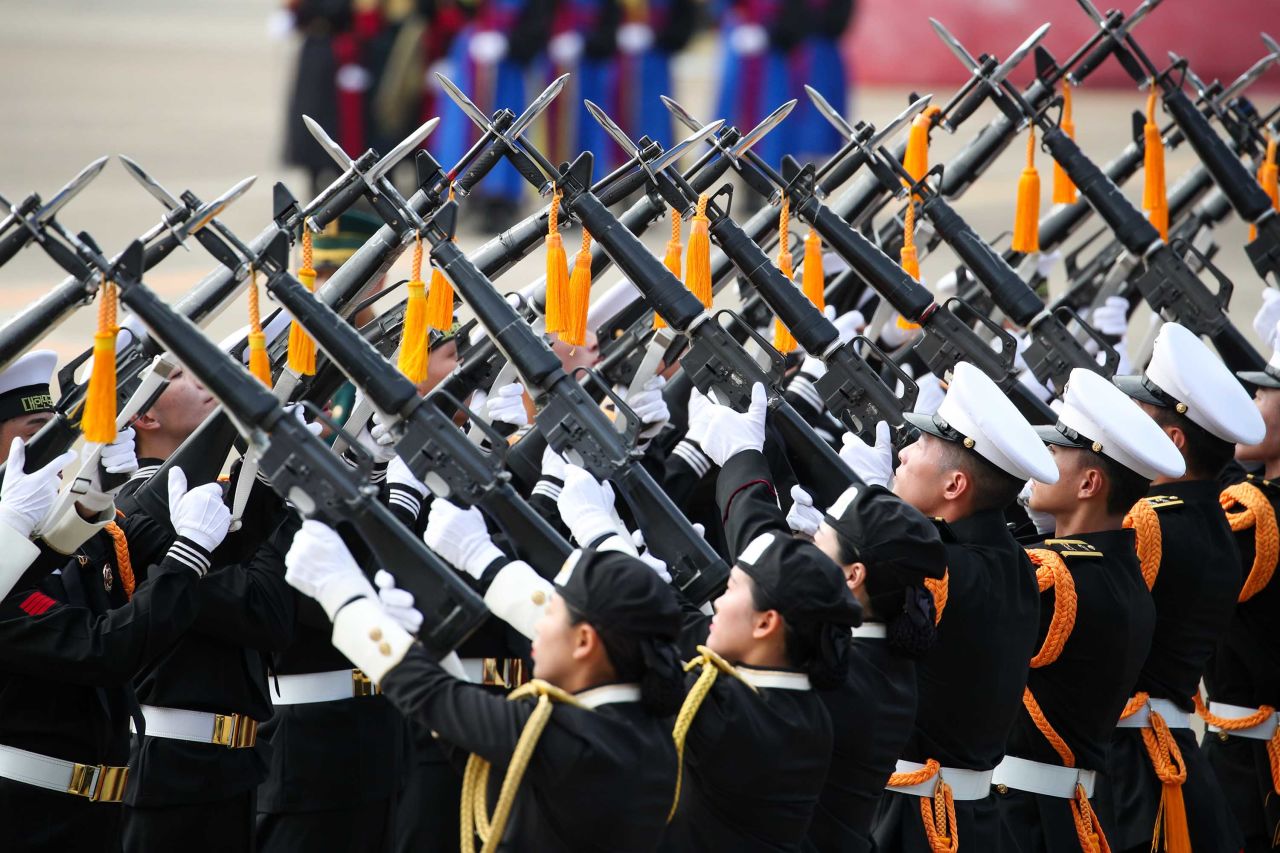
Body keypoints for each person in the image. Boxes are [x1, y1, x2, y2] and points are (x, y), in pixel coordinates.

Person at [283, 517, 686, 851]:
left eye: (553, 614)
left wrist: (341, 591)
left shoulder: (575, 738)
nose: (539, 627)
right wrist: (429, 643)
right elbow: (468, 732)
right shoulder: (637, 731)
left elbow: (435, 698)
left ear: (584, 642)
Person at [702, 381, 947, 851]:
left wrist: (742, 461)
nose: (810, 546)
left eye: (822, 541)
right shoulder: (884, 648)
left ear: (854, 575)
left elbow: (766, 578)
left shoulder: (839, 666)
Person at [854, 361, 1059, 852]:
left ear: (954, 487)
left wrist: (864, 508)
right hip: (975, 820)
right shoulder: (1017, 564)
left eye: (922, 445)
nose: (903, 453)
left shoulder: (942, 571)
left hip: (910, 824)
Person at [656, 382, 863, 851]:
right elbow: (765, 575)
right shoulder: (806, 699)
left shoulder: (727, 712)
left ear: (768, 623)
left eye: (727, 590)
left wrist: (606, 544)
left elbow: (618, 644)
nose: (718, 601)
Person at [994, 367, 1184, 851]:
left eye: (1056, 452)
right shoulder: (1115, 568)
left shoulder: (1058, 578)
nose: (1043, 459)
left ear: (1089, 484)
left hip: (1021, 820)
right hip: (1070, 813)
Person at [1097, 322, 1265, 853]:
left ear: (1173, 441)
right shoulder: (1219, 517)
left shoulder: (1150, 521)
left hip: (1126, 759)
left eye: (1144, 416)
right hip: (1171, 748)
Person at [0, 468, 230, 852]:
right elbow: (104, 648)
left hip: (99, 813)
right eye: (33, 429)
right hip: (22, 812)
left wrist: (261, 475)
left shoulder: (85, 533)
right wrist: (189, 553)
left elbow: (227, 554)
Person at [1196, 323, 1280, 852]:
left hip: (1245, 765)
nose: (1251, 402)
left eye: (1262, 394)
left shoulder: (1255, 514)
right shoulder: (1253, 501)